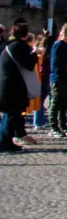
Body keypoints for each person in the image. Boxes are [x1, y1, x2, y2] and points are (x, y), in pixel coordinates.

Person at [0, 22, 38, 152]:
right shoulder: (19, 46)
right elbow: (28, 64)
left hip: (6, 83)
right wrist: (35, 54)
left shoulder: (7, 45)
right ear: (25, 34)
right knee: (12, 114)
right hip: (13, 85)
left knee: (9, 114)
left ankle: (5, 140)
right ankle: (5, 142)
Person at [48, 23, 67, 137]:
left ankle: (63, 125)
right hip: (59, 77)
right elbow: (55, 63)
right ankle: (53, 127)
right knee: (56, 103)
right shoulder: (58, 45)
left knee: (64, 103)